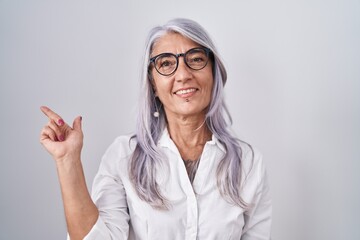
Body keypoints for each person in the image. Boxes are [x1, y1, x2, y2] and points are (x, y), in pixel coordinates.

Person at [40, 18, 272, 240]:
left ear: (213, 71)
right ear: (153, 84)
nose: (183, 75)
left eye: (196, 59)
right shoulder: (123, 156)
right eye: (166, 63)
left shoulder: (249, 163)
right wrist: (67, 161)